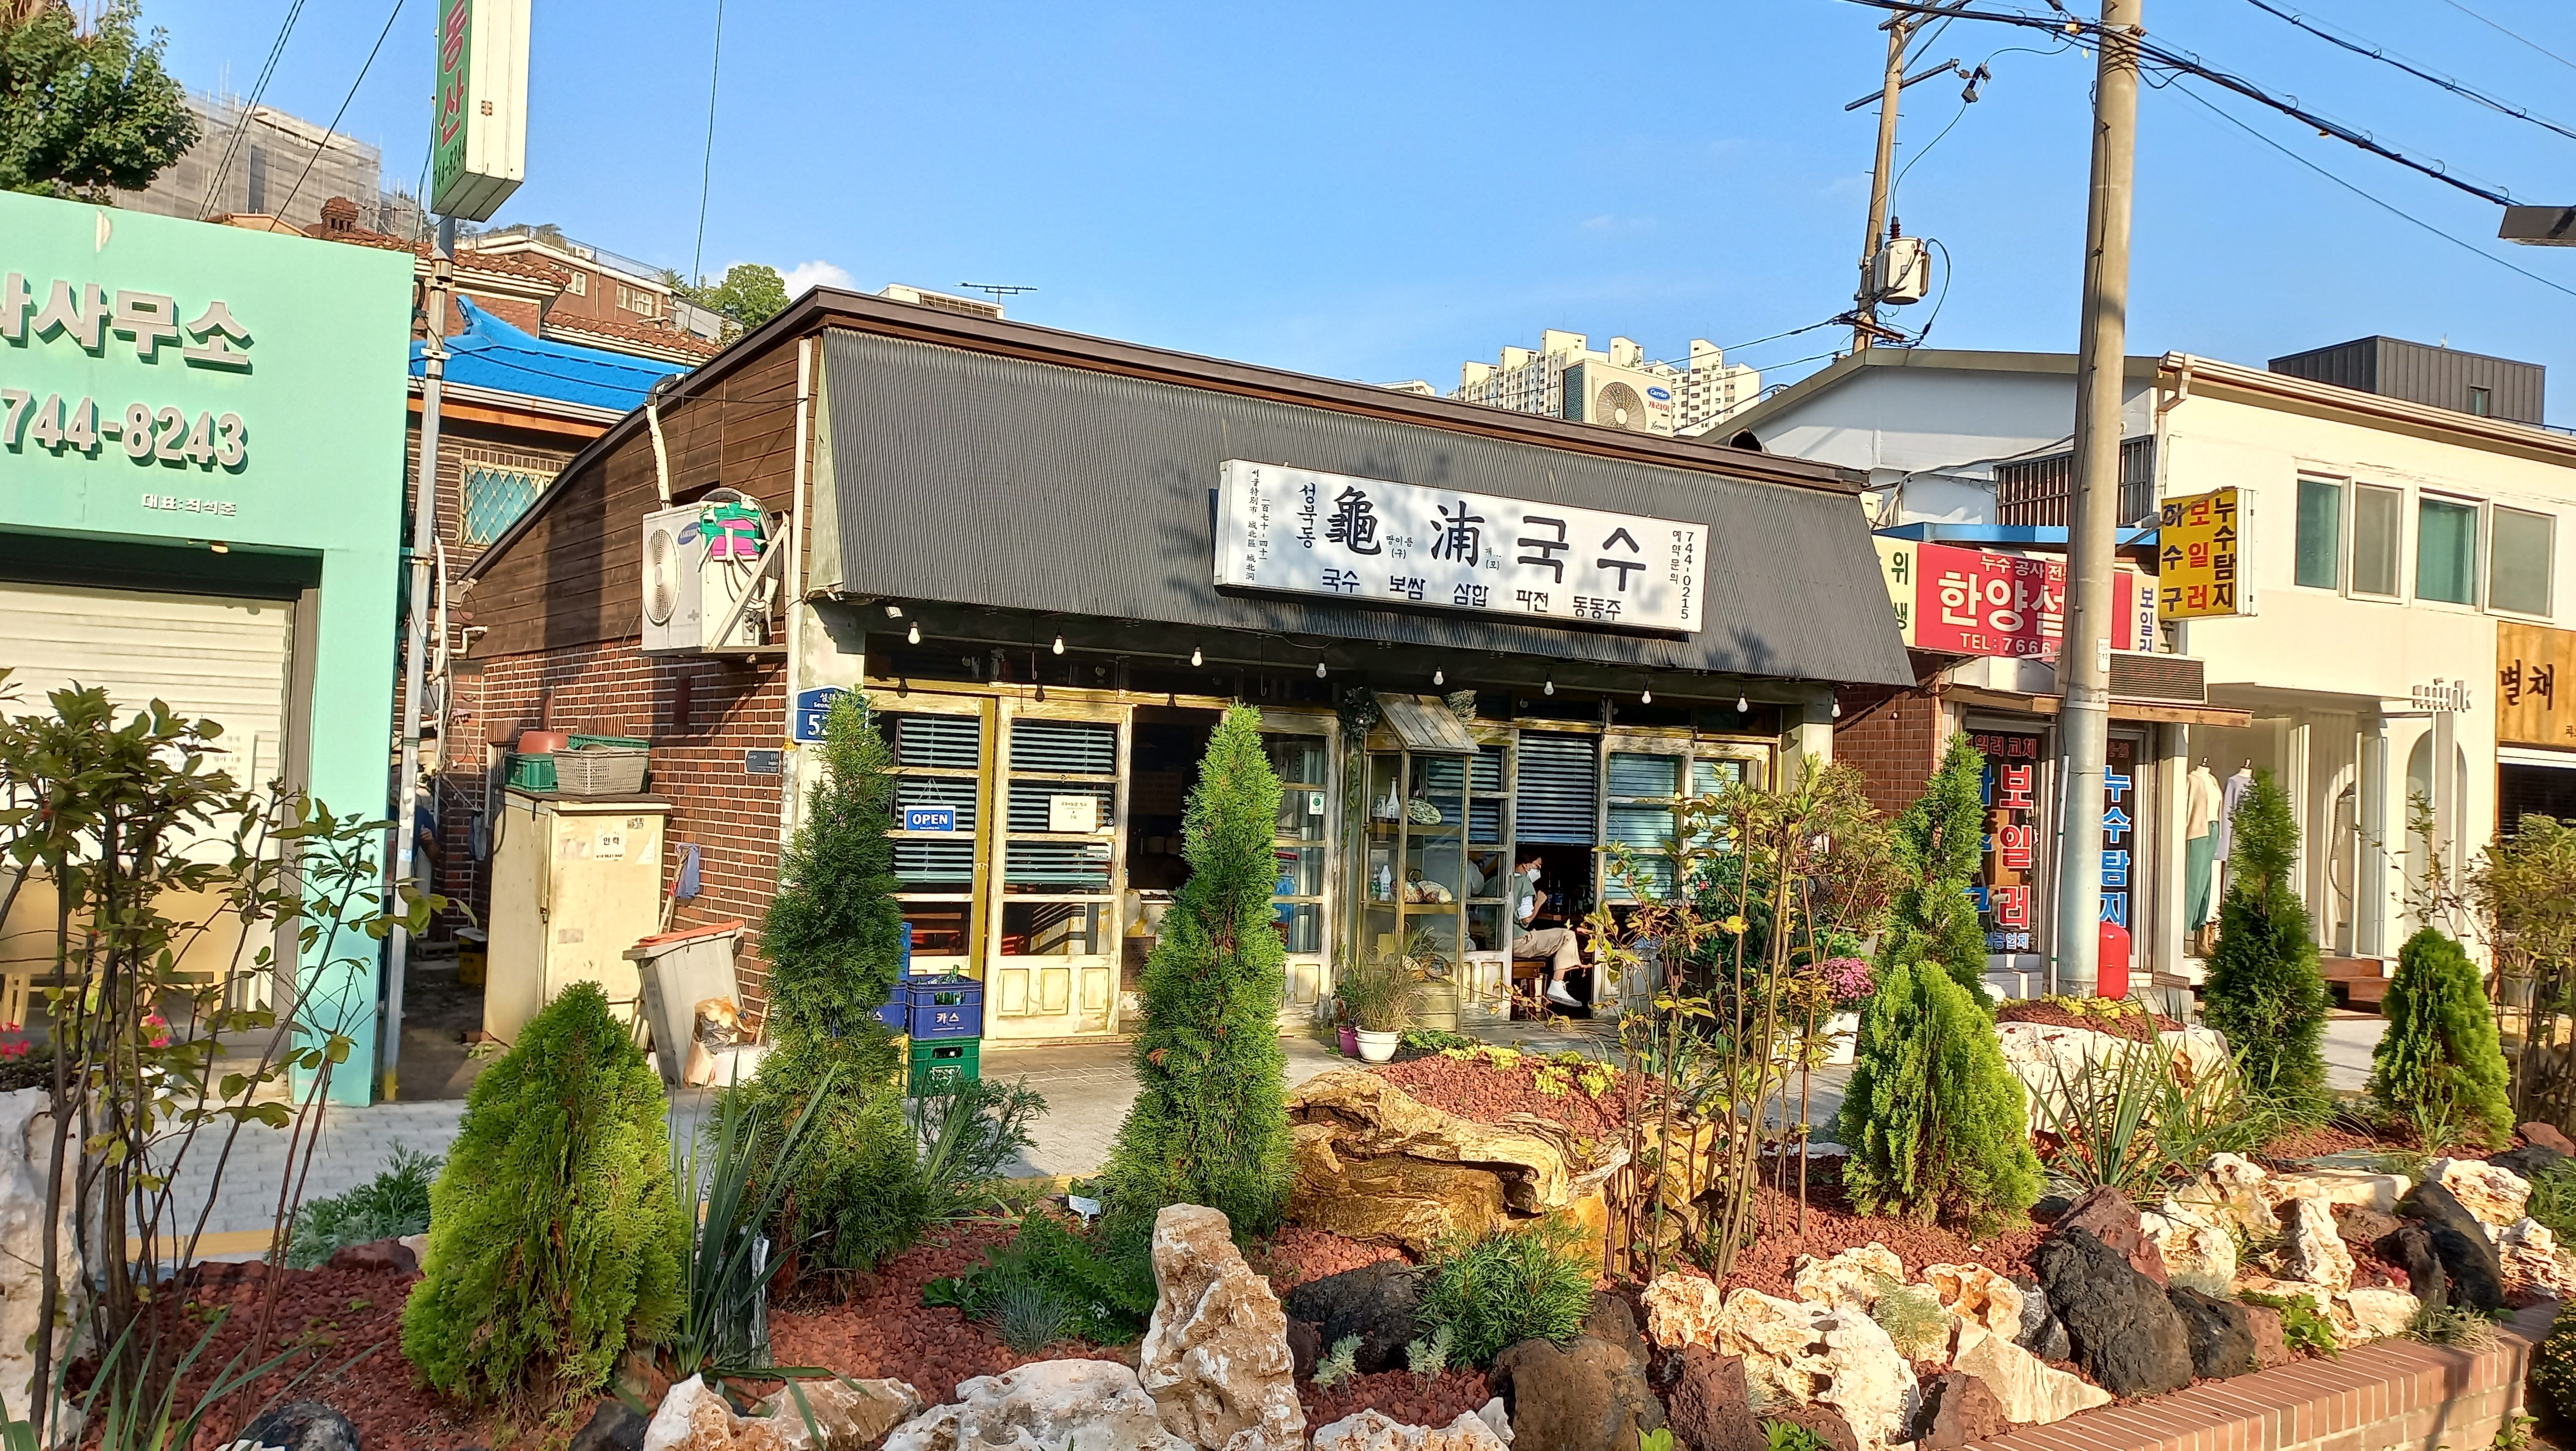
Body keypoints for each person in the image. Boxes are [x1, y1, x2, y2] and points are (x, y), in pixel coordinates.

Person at [1510, 852, 1583, 1009]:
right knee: (1568, 936)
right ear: (1526, 865)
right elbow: (1526, 920)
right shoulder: (1524, 883)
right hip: (1518, 943)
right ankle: (1557, 984)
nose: (1539, 870)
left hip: (1497, 942)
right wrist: (1539, 903)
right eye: (1537, 866)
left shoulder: (1496, 881)